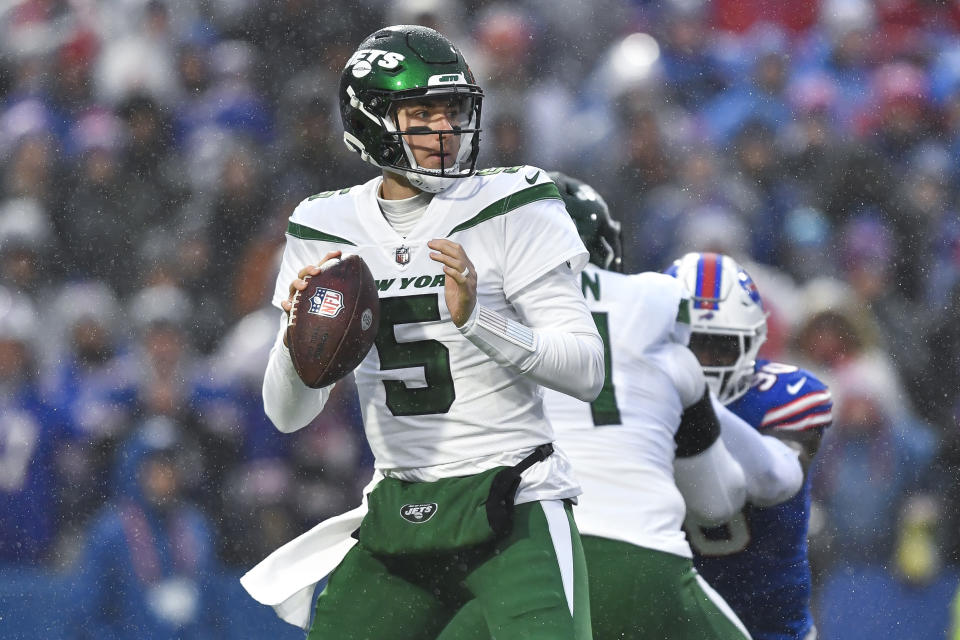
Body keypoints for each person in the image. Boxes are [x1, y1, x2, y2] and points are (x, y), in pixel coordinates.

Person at [242, 25, 604, 640]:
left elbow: (587, 371)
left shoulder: (514, 202)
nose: (444, 129)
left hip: (512, 500)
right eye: (423, 112)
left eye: (453, 110)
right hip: (400, 510)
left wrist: (476, 321)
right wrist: (300, 339)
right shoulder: (323, 225)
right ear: (374, 120)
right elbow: (287, 415)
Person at [538, 173, 805, 639]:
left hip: (528, 564)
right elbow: (717, 500)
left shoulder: (482, 321)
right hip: (642, 559)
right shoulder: (658, 322)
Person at [668, 251, 834, 640]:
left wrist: (690, 397)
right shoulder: (633, 395)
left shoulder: (788, 397)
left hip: (769, 629)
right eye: (692, 346)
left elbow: (774, 480)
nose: (704, 364)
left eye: (719, 348)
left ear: (754, 342)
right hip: (666, 624)